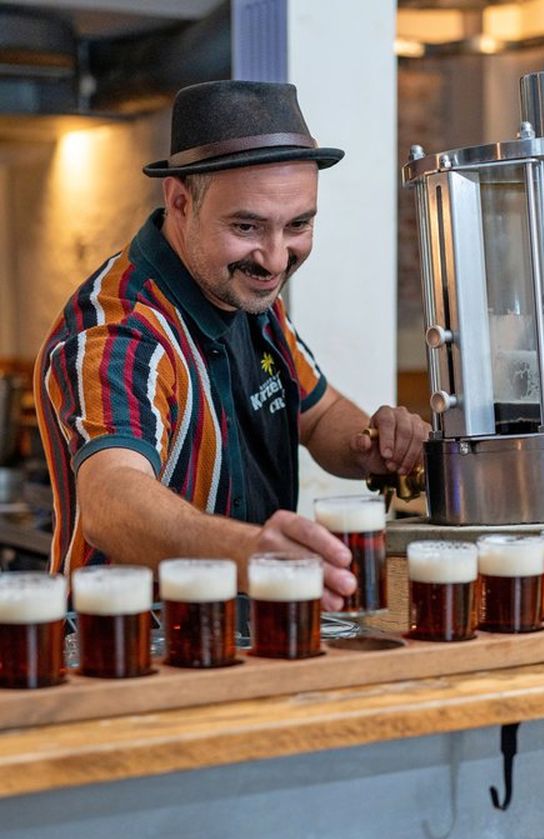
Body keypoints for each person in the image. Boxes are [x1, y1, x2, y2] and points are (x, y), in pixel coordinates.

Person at [33, 80, 429, 610]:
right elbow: (110, 501)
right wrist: (247, 553)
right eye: (247, 225)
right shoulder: (119, 332)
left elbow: (318, 412)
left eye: (298, 225)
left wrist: (374, 444)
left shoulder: (247, 293)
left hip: (247, 636)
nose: (275, 258)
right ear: (179, 202)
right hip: (133, 648)